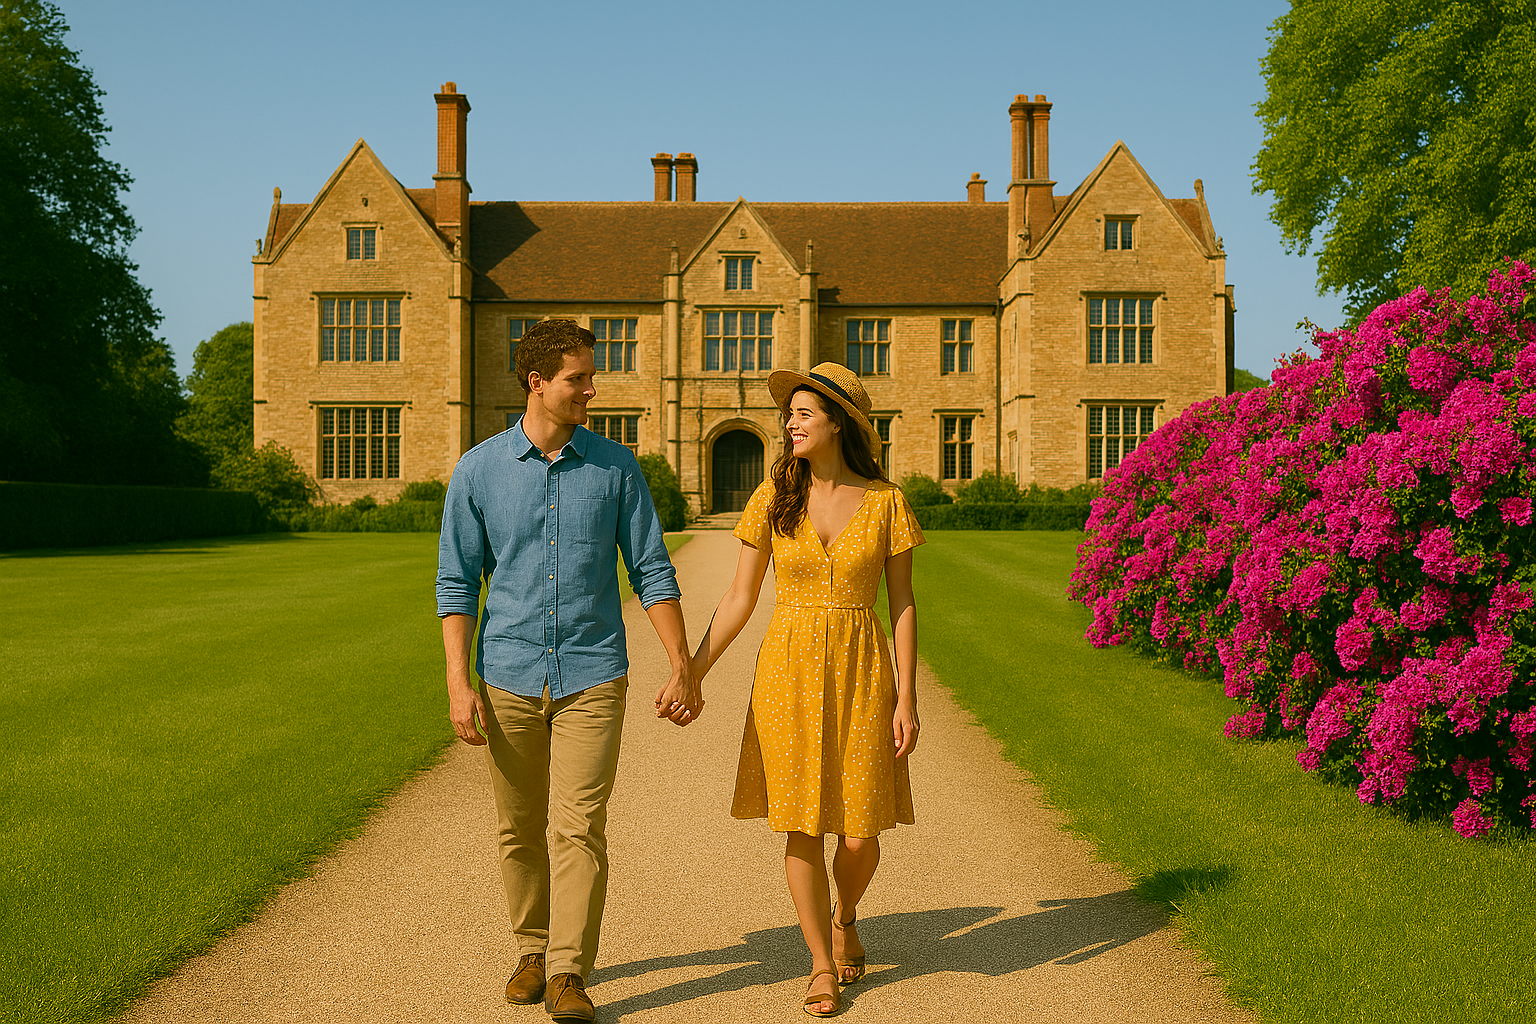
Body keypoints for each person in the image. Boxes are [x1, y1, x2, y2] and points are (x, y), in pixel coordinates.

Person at [436, 319, 700, 1024]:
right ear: (538, 383)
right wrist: (459, 685)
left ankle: (567, 972)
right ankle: (531, 947)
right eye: (579, 377)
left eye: (590, 375)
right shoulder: (478, 471)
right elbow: (457, 584)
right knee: (518, 826)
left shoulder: (616, 467)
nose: (592, 387)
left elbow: (650, 569)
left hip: (591, 673)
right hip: (509, 674)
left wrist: (682, 664)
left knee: (578, 825)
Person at [689, 362, 923, 1017]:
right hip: (786, 671)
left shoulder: (886, 502)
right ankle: (820, 962)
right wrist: (694, 668)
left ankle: (846, 911)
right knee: (801, 827)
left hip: (862, 669)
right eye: (788, 413)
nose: (790, 423)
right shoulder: (773, 498)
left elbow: (902, 604)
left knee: (860, 834)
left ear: (837, 423)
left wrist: (908, 697)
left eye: (803, 413)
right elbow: (739, 597)